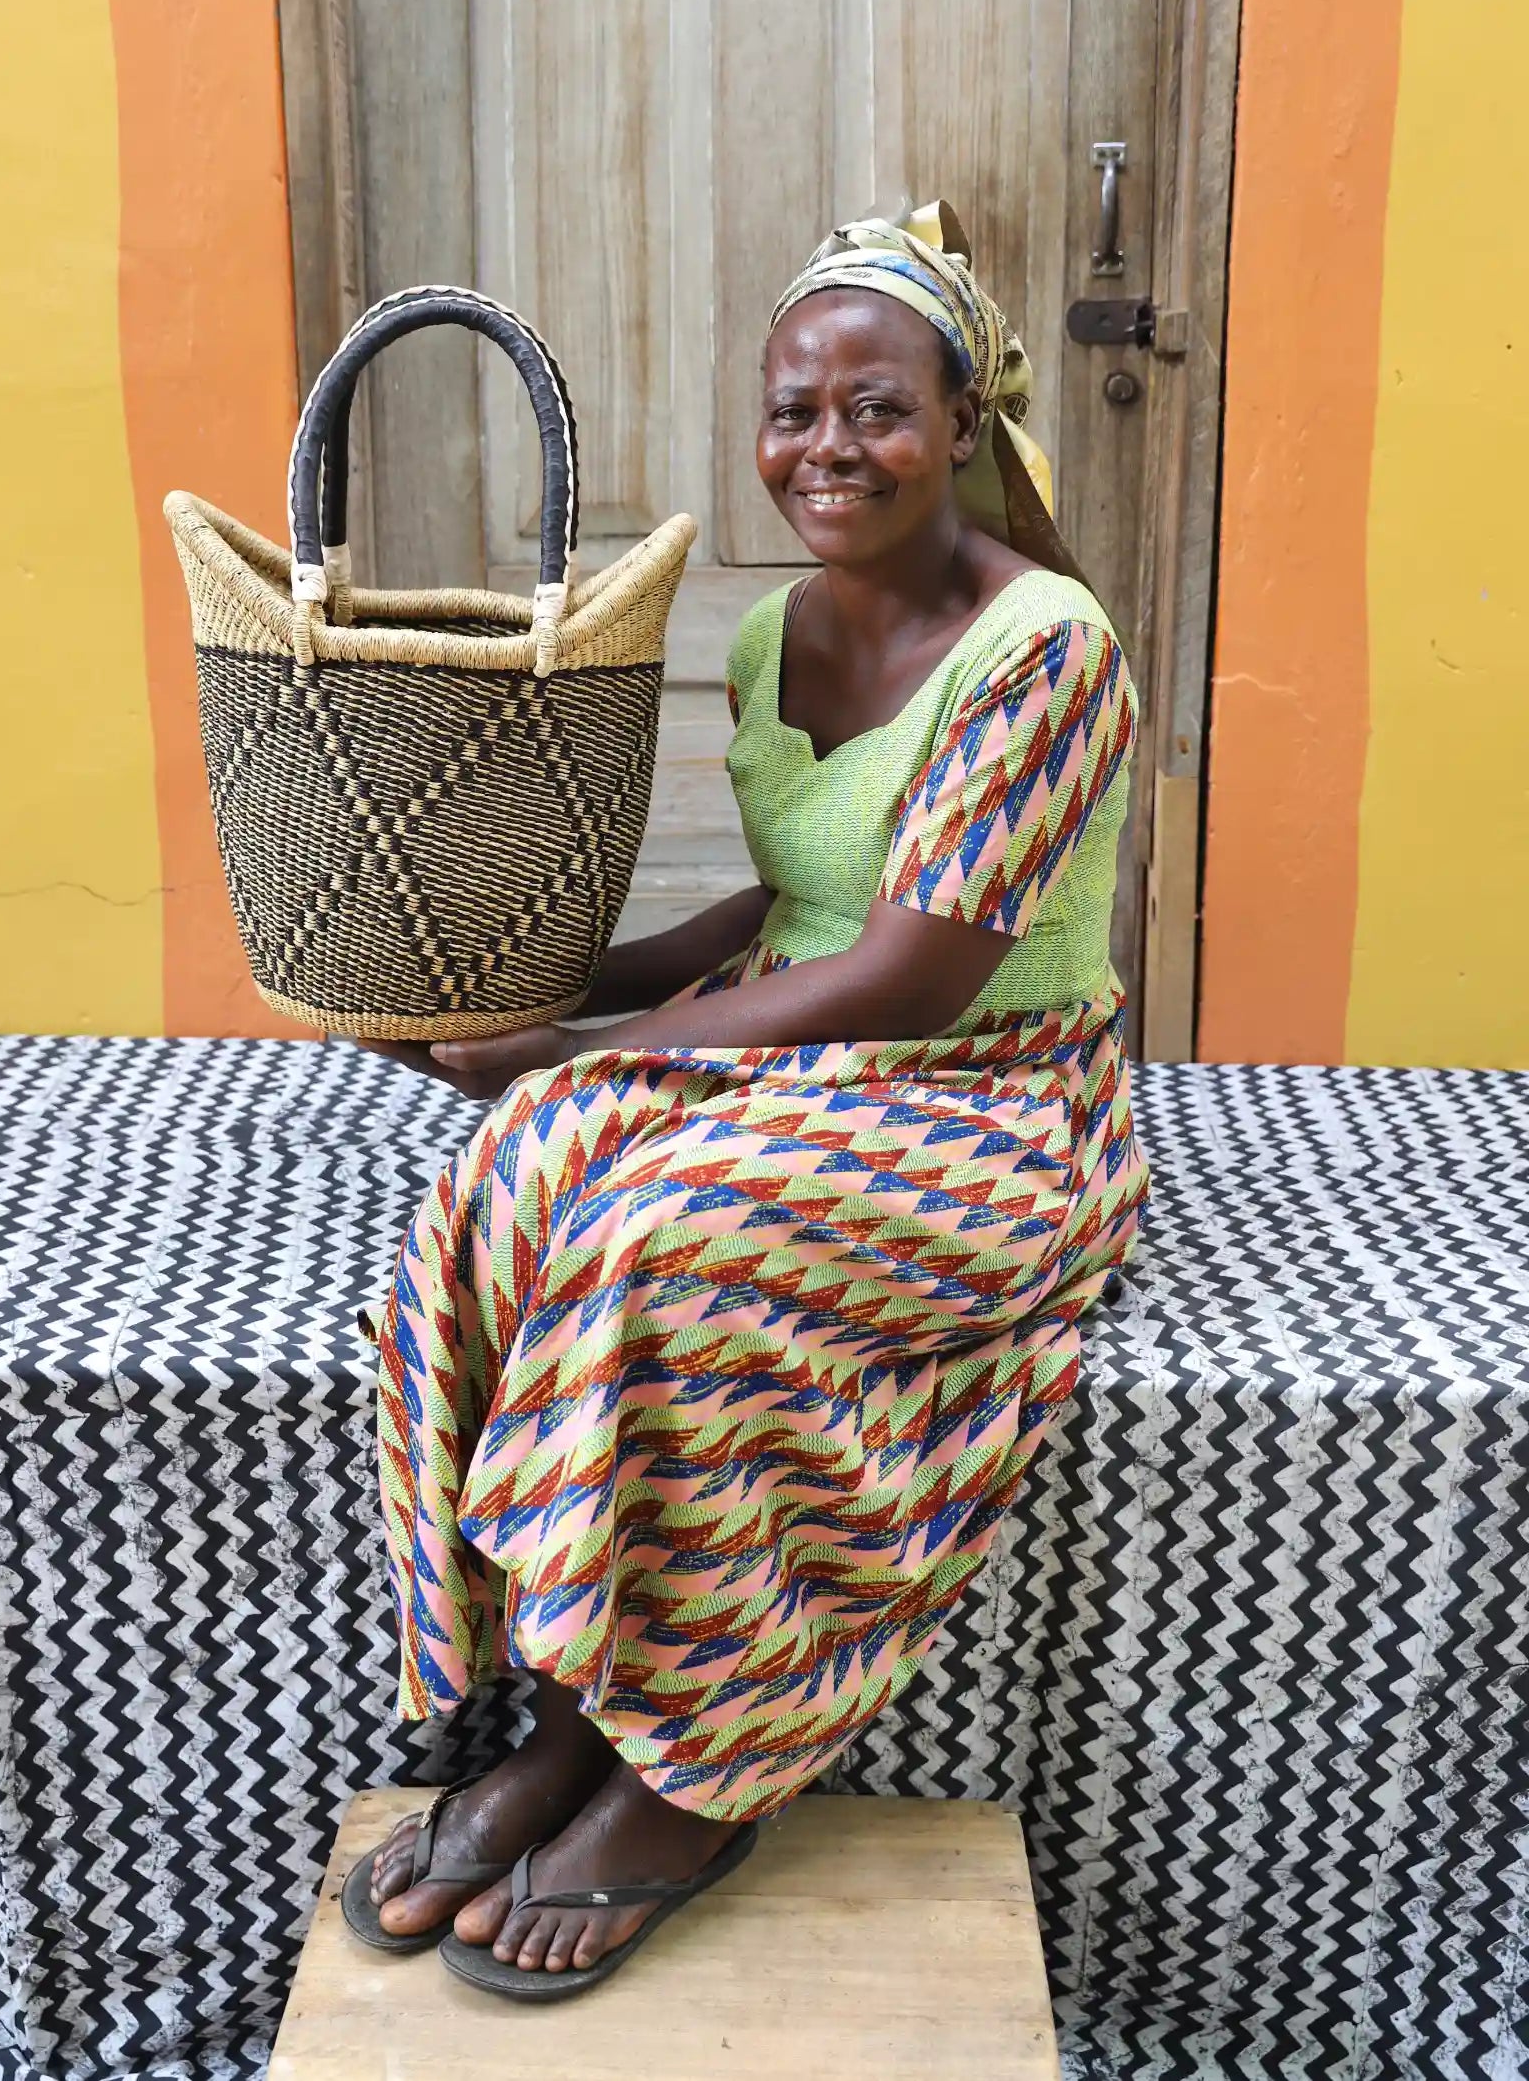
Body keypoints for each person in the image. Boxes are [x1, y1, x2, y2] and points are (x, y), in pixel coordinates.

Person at [345, 203, 1148, 1999]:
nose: (826, 447)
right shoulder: (777, 633)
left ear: (963, 421)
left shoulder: (1046, 649)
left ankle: (693, 1776)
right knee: (514, 1172)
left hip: (989, 1099)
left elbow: (911, 975)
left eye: (878, 408)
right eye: (795, 410)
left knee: (669, 1246)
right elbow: (789, 907)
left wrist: (595, 1048)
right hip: (796, 1039)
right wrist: (562, 995)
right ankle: (570, 1711)